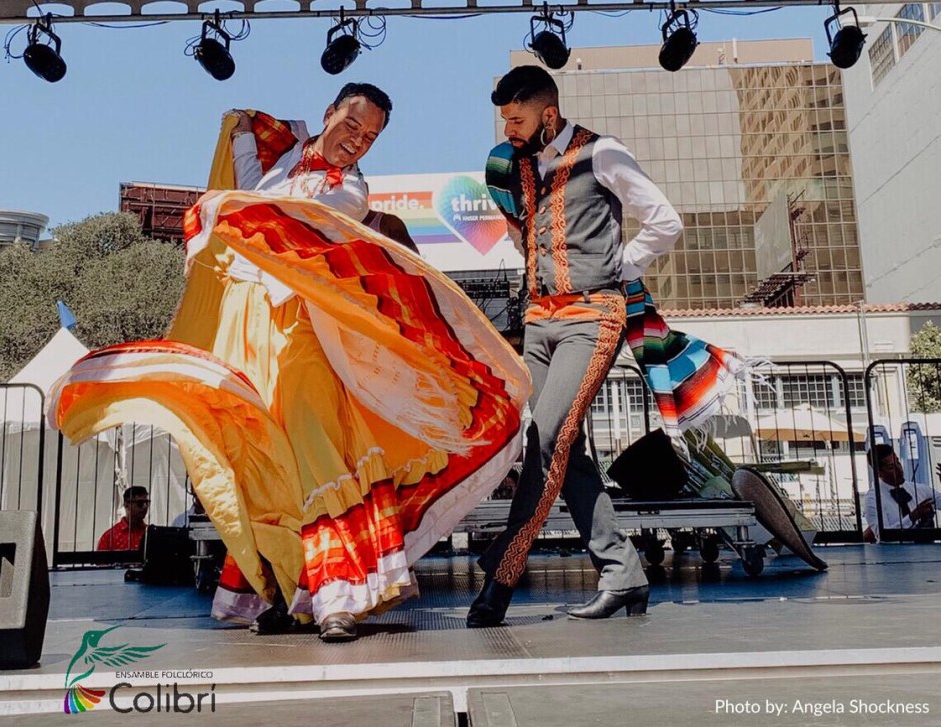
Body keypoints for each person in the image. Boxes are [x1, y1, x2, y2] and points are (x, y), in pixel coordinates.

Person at [50, 83, 529, 644]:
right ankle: (284, 592)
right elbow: (243, 165)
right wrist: (248, 126)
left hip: (308, 329)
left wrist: (223, 209)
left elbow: (279, 218)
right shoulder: (282, 164)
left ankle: (338, 599)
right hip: (250, 329)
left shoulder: (349, 192)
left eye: (370, 137)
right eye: (352, 125)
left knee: (316, 442)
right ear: (329, 113)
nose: (357, 142)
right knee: (264, 456)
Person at [467, 65, 683, 628]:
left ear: (549, 114)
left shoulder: (602, 153)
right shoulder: (519, 166)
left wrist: (616, 267)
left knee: (544, 442)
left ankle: (501, 577)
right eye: (505, 120)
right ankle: (623, 575)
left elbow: (665, 222)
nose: (509, 130)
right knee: (565, 447)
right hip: (539, 321)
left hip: (593, 316)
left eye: (518, 119)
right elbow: (524, 232)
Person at [864, 444, 941, 542]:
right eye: (891, 467)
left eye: (898, 463)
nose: (899, 469)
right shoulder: (873, 499)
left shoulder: (919, 489)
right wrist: (912, 517)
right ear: (878, 472)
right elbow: (883, 536)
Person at [97, 486, 149, 551]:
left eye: (147, 503)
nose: (145, 507)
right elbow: (100, 560)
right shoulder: (110, 537)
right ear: (127, 505)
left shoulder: (150, 534)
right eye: (140, 503)